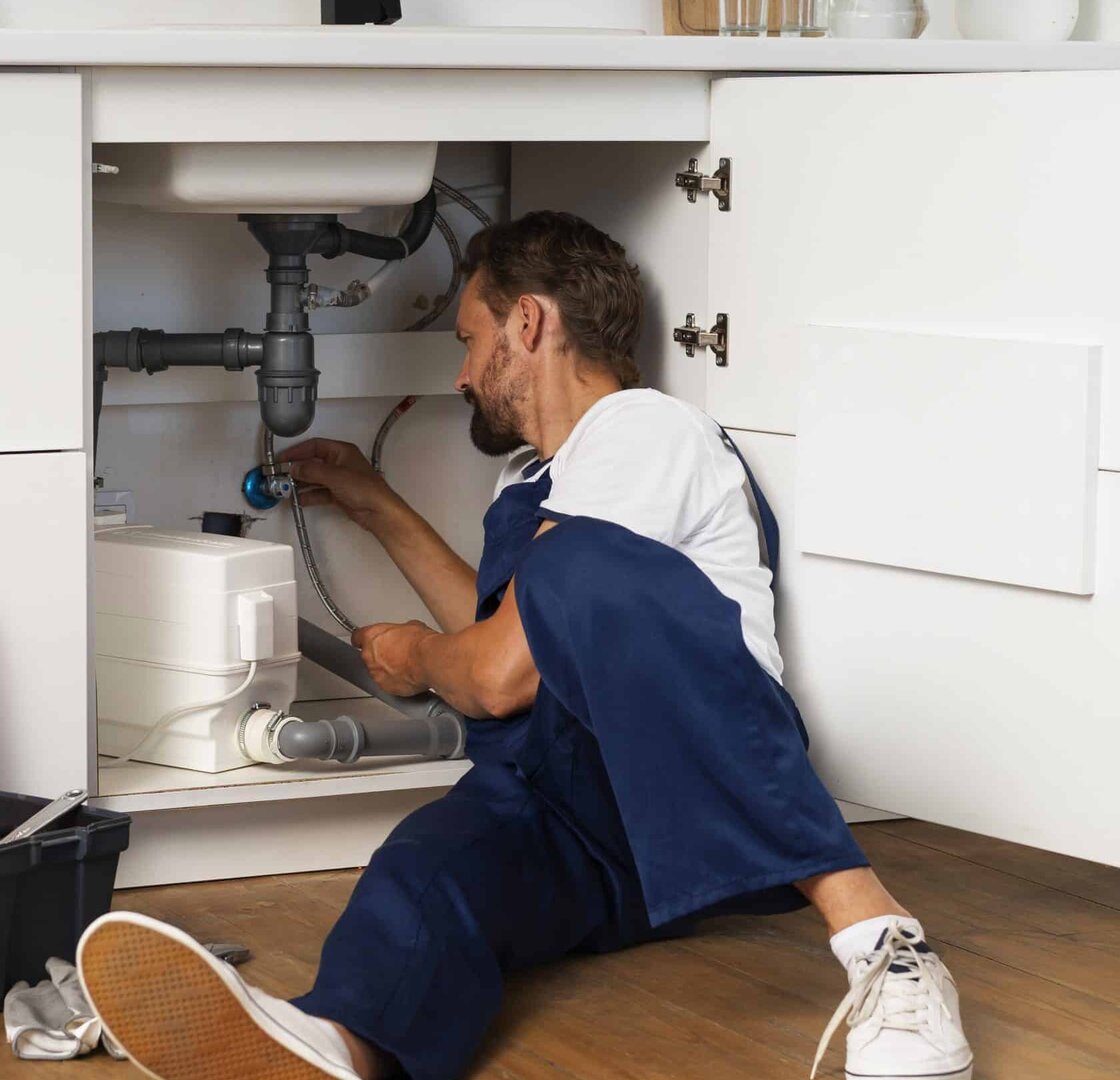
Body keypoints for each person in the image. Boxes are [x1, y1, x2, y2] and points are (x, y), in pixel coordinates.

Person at [75, 211, 974, 1080]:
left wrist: (423, 657)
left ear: (530, 321)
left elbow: (501, 674)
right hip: (571, 816)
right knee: (428, 869)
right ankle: (336, 1046)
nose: (463, 376)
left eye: (470, 340)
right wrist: (372, 500)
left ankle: (886, 944)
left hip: (691, 783)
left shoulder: (644, 431)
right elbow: (506, 632)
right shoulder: (534, 475)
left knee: (574, 569)